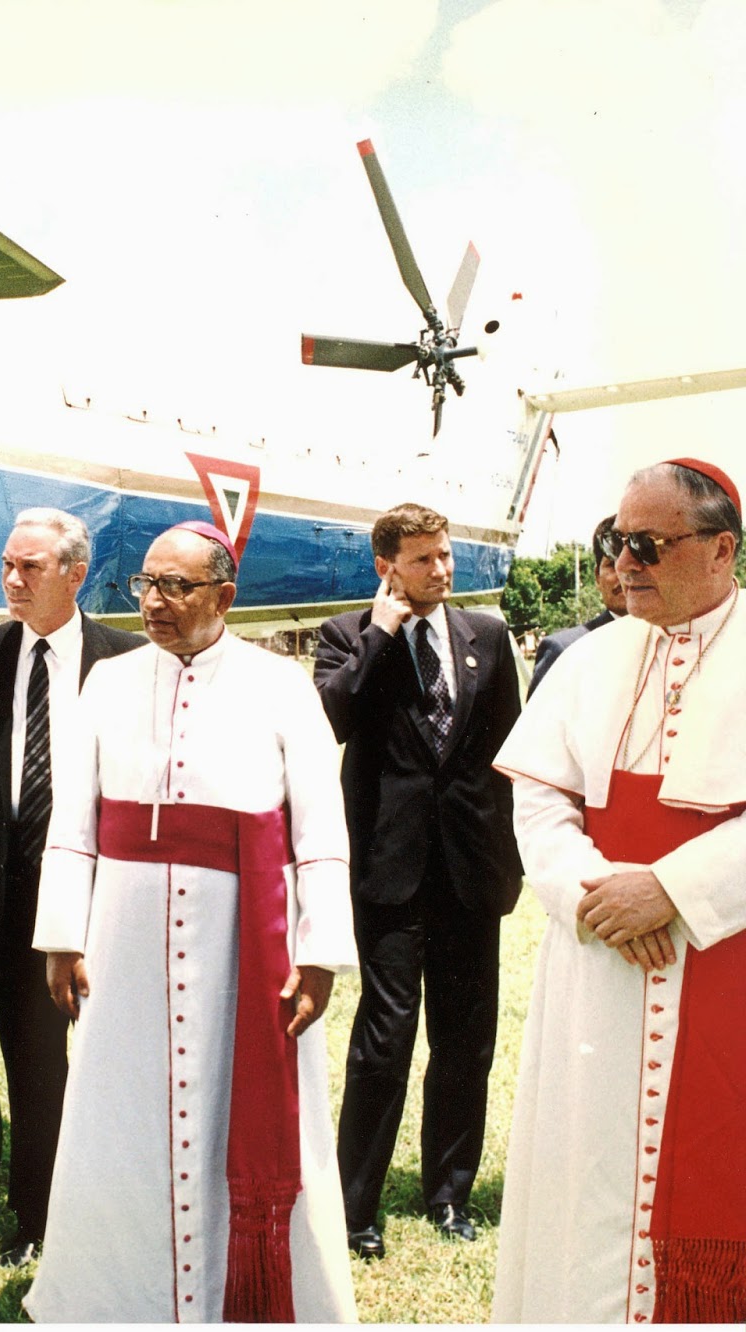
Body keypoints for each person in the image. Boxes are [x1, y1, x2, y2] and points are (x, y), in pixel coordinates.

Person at [24, 521, 358, 1322]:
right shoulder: (107, 683)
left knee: (232, 1112)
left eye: (176, 587)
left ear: (224, 596)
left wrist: (318, 953)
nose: (155, 602)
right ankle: (114, 1300)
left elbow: (320, 829)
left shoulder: (281, 685)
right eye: (146, 584)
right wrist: (62, 936)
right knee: (121, 1117)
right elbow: (72, 820)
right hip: (125, 943)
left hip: (243, 946)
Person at [492, 458, 746, 1324]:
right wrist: (591, 892)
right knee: (591, 1182)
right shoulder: (587, 660)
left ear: (721, 550)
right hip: (601, 964)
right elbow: (539, 799)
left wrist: (673, 888)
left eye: (648, 544)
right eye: (615, 540)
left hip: (726, 953)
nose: (624, 562)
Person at [313, 502, 522, 1260]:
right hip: (389, 872)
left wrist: (509, 859)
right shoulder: (346, 637)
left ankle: (449, 1194)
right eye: (424, 559)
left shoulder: (487, 638)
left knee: (465, 1040)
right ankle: (354, 1207)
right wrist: (381, 633)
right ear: (387, 567)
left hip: (470, 871)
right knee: (385, 1037)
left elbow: (509, 754)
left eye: (446, 554)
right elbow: (329, 721)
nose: (442, 569)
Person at [0, 507, 140, 1268]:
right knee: (31, 1061)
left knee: (114, 1059)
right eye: (7, 565)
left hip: (108, 891)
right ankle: (36, 1220)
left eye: (31, 567)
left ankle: (118, 1210)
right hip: (13, 891)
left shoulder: (127, 661)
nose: (12, 581)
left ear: (75, 575)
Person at [527, 513, 628, 696]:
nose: (623, 574)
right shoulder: (565, 649)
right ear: (597, 577)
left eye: (635, 562)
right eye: (612, 564)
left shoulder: (671, 642)